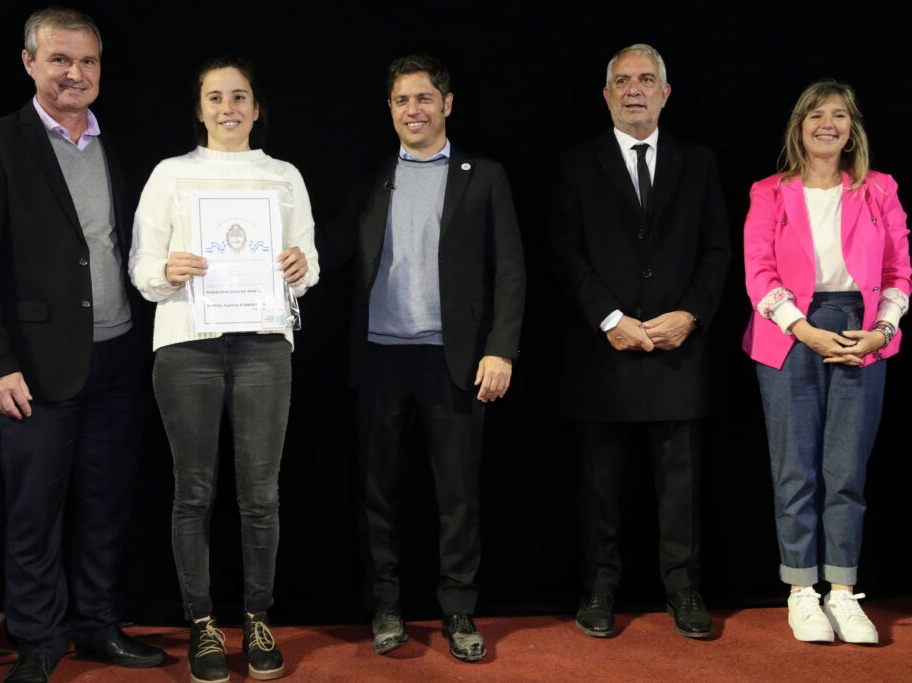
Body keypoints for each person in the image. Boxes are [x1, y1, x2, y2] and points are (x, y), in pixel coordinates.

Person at [0, 7, 164, 682]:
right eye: (60, 59)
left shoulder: (114, 146)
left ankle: (97, 625)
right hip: (33, 368)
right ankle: (38, 639)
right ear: (29, 63)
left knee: (106, 503)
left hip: (119, 357)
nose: (75, 73)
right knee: (35, 509)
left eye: (87, 61)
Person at [327, 54, 524, 662]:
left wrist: (500, 349)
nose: (412, 110)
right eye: (401, 100)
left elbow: (510, 269)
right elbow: (330, 247)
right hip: (380, 358)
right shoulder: (373, 178)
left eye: (423, 98)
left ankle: (458, 610)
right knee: (378, 493)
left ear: (446, 104)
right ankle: (386, 607)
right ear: (389, 109)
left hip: (454, 362)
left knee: (458, 496)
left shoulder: (483, 175)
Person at [129, 56, 318, 682]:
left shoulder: (283, 176)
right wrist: (167, 270)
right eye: (215, 97)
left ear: (257, 108)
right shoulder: (170, 174)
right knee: (194, 492)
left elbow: (309, 262)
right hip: (187, 344)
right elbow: (141, 266)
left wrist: (300, 267)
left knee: (261, 495)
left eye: (239, 96)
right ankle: (203, 624)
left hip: (264, 345)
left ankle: (258, 618)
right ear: (200, 109)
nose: (228, 107)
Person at [551, 43, 730, 640]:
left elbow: (717, 250)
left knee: (681, 487)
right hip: (604, 354)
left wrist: (691, 315)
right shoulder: (575, 165)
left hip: (679, 350)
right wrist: (609, 318)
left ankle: (683, 589)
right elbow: (565, 252)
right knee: (599, 486)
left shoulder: (699, 163)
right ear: (606, 94)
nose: (634, 90)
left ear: (665, 93)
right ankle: (599, 589)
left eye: (646, 80)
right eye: (623, 81)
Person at [743, 80, 912, 645]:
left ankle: (842, 590)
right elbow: (759, 272)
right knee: (796, 470)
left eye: (839, 115)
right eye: (816, 115)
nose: (827, 124)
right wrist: (805, 330)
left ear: (852, 130)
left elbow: (898, 272)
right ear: (800, 126)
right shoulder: (769, 192)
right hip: (790, 330)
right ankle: (801, 590)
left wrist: (881, 331)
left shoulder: (880, 189)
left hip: (862, 330)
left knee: (846, 472)